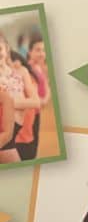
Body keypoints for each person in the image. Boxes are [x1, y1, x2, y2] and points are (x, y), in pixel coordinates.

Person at [0, 33, 40, 164]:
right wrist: (22, 102)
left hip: (15, 130)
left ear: (6, 48)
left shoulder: (21, 71)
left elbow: (35, 101)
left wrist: (8, 103)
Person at [15, 36, 51, 161]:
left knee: (34, 145)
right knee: (28, 148)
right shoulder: (27, 70)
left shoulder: (39, 67)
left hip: (37, 113)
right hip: (29, 115)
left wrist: (45, 98)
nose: (42, 53)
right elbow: (31, 96)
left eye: (43, 50)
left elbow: (46, 84)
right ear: (29, 52)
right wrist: (42, 101)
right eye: (38, 50)